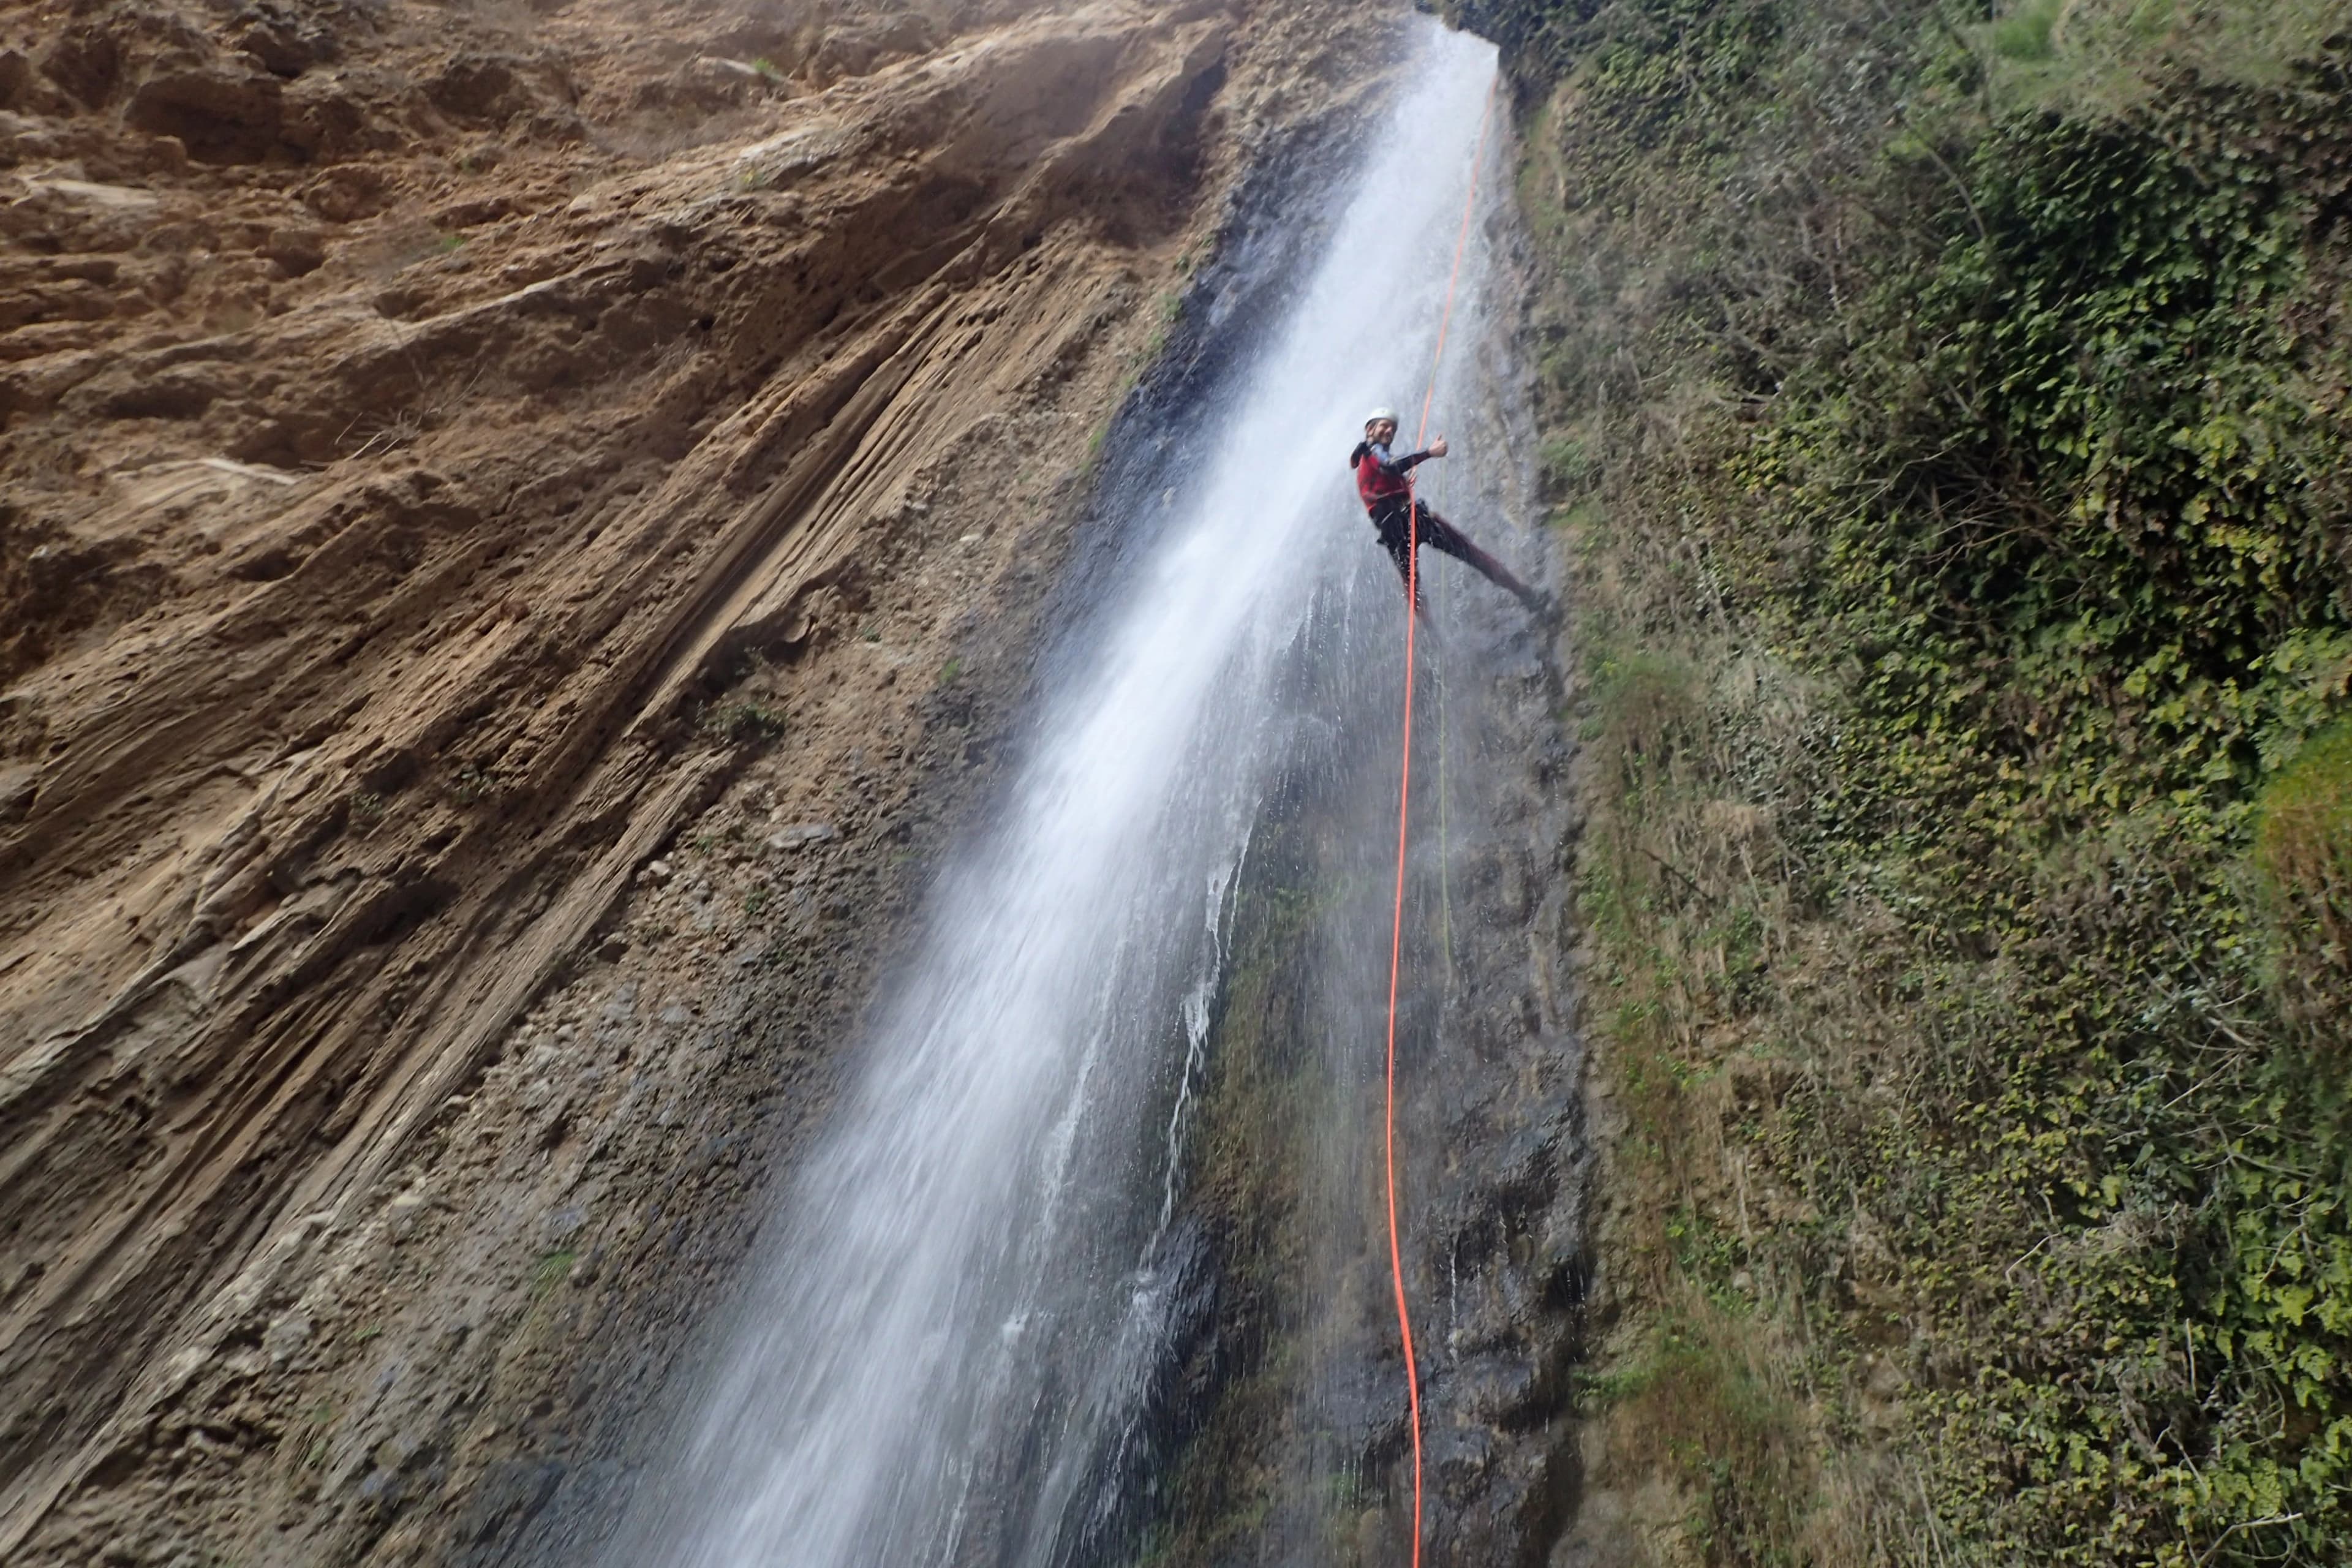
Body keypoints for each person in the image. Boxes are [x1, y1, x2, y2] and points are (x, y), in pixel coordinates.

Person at [1348, 407, 1544, 618]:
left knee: (1414, 589)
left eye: (1393, 429)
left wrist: (1402, 484)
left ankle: (1434, 642)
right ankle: (1526, 595)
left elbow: (1387, 474)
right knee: (1470, 554)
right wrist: (1429, 453)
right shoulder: (1372, 451)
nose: (1390, 431)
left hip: (1396, 531)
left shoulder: (1370, 460)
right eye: (1385, 426)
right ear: (1370, 429)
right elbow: (1389, 465)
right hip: (1410, 521)